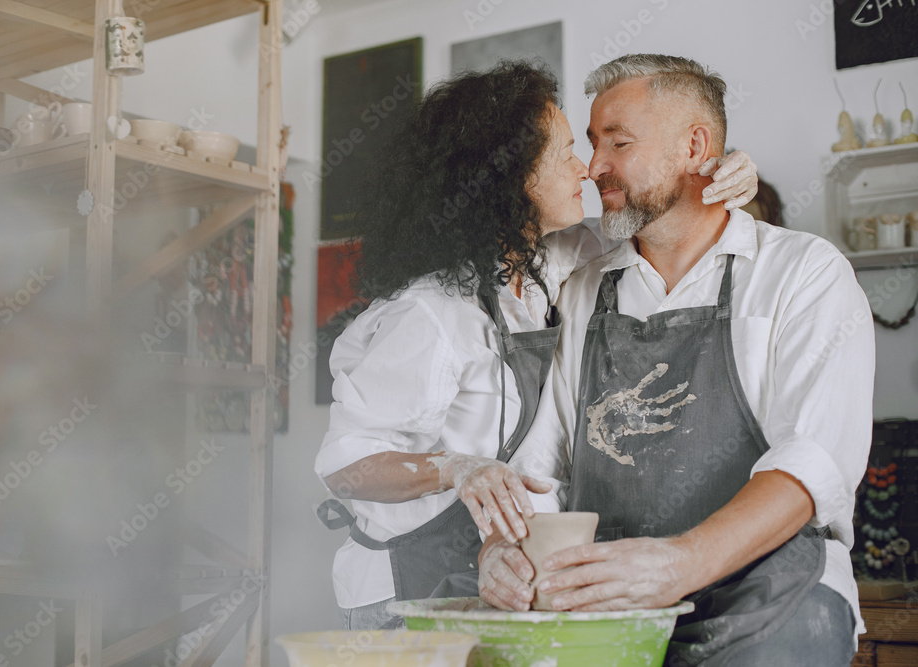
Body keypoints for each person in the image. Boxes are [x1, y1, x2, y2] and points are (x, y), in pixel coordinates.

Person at [314, 61, 759, 631]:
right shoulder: (429, 315)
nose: (586, 169)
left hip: (488, 579)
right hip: (402, 595)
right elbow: (345, 468)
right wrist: (455, 469)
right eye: (567, 153)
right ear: (510, 177)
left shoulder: (548, 262)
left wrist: (721, 174)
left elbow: (666, 218)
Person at [478, 54, 874, 666]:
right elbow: (540, 467)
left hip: (768, 598)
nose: (594, 167)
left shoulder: (804, 274)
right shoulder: (579, 286)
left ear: (695, 146)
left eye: (619, 143)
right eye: (591, 144)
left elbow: (813, 464)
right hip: (609, 600)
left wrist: (681, 562)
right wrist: (506, 547)